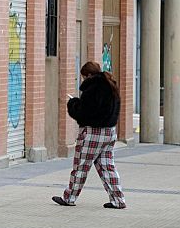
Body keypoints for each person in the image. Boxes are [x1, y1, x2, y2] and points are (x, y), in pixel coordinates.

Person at [52, 62, 128, 209]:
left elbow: (84, 113)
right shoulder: (111, 85)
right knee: (108, 167)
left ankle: (69, 197)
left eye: (83, 77)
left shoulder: (92, 89)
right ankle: (118, 200)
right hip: (109, 132)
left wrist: (73, 104)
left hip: (92, 133)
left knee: (81, 167)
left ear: (88, 75)